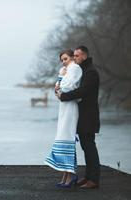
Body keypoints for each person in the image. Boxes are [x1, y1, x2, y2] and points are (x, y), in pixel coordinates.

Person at [57, 45, 100, 189]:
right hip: (84, 115)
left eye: (76, 56)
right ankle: (88, 177)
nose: (74, 58)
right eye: (73, 56)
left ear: (84, 56)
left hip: (89, 115)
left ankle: (93, 180)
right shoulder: (85, 70)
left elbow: (83, 91)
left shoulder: (91, 72)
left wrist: (63, 96)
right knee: (86, 146)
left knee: (89, 147)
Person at [45, 49, 82, 188]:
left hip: (71, 106)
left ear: (72, 57)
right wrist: (60, 81)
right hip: (65, 106)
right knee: (62, 135)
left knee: (67, 136)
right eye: (62, 60)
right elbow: (57, 89)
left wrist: (60, 81)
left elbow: (68, 87)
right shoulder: (66, 70)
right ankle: (67, 173)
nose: (64, 62)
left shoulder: (75, 68)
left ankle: (70, 174)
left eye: (65, 58)